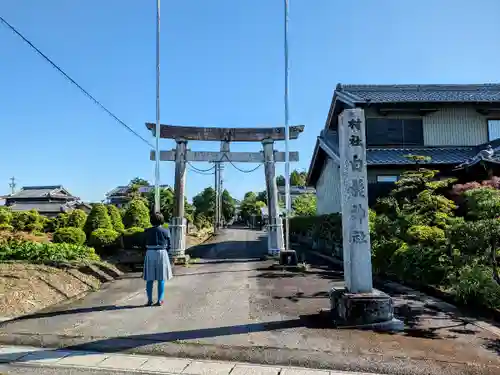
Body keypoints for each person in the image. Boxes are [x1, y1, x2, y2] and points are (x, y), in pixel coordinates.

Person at [143, 212, 173, 306]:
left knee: (149, 278)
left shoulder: (147, 231)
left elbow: (143, 243)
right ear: (162, 220)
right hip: (162, 252)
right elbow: (169, 245)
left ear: (151, 220)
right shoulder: (165, 231)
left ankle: (149, 300)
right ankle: (160, 300)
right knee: (161, 278)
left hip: (150, 252)